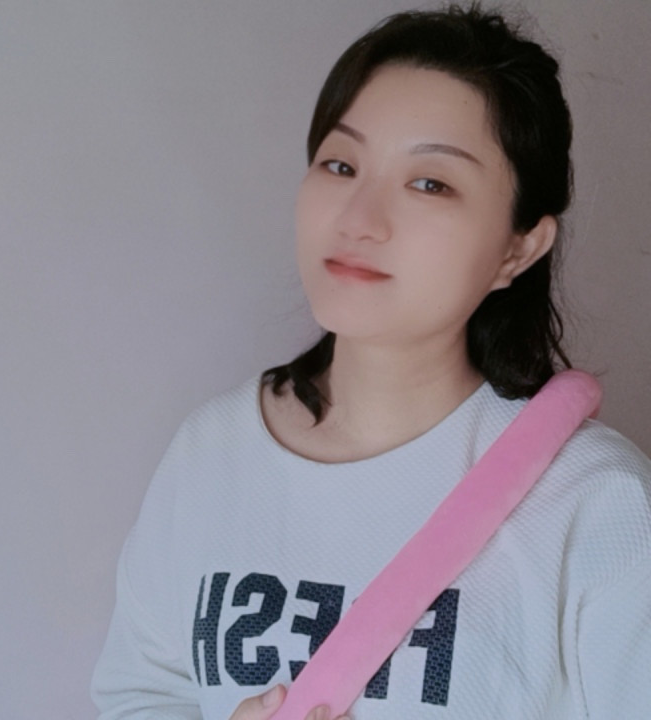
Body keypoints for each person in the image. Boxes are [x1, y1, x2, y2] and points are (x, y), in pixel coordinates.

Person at [91, 5, 651, 719]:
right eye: (340, 164)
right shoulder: (211, 454)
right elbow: (141, 692)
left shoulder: (599, 501)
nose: (359, 218)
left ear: (519, 248)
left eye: (431, 183)